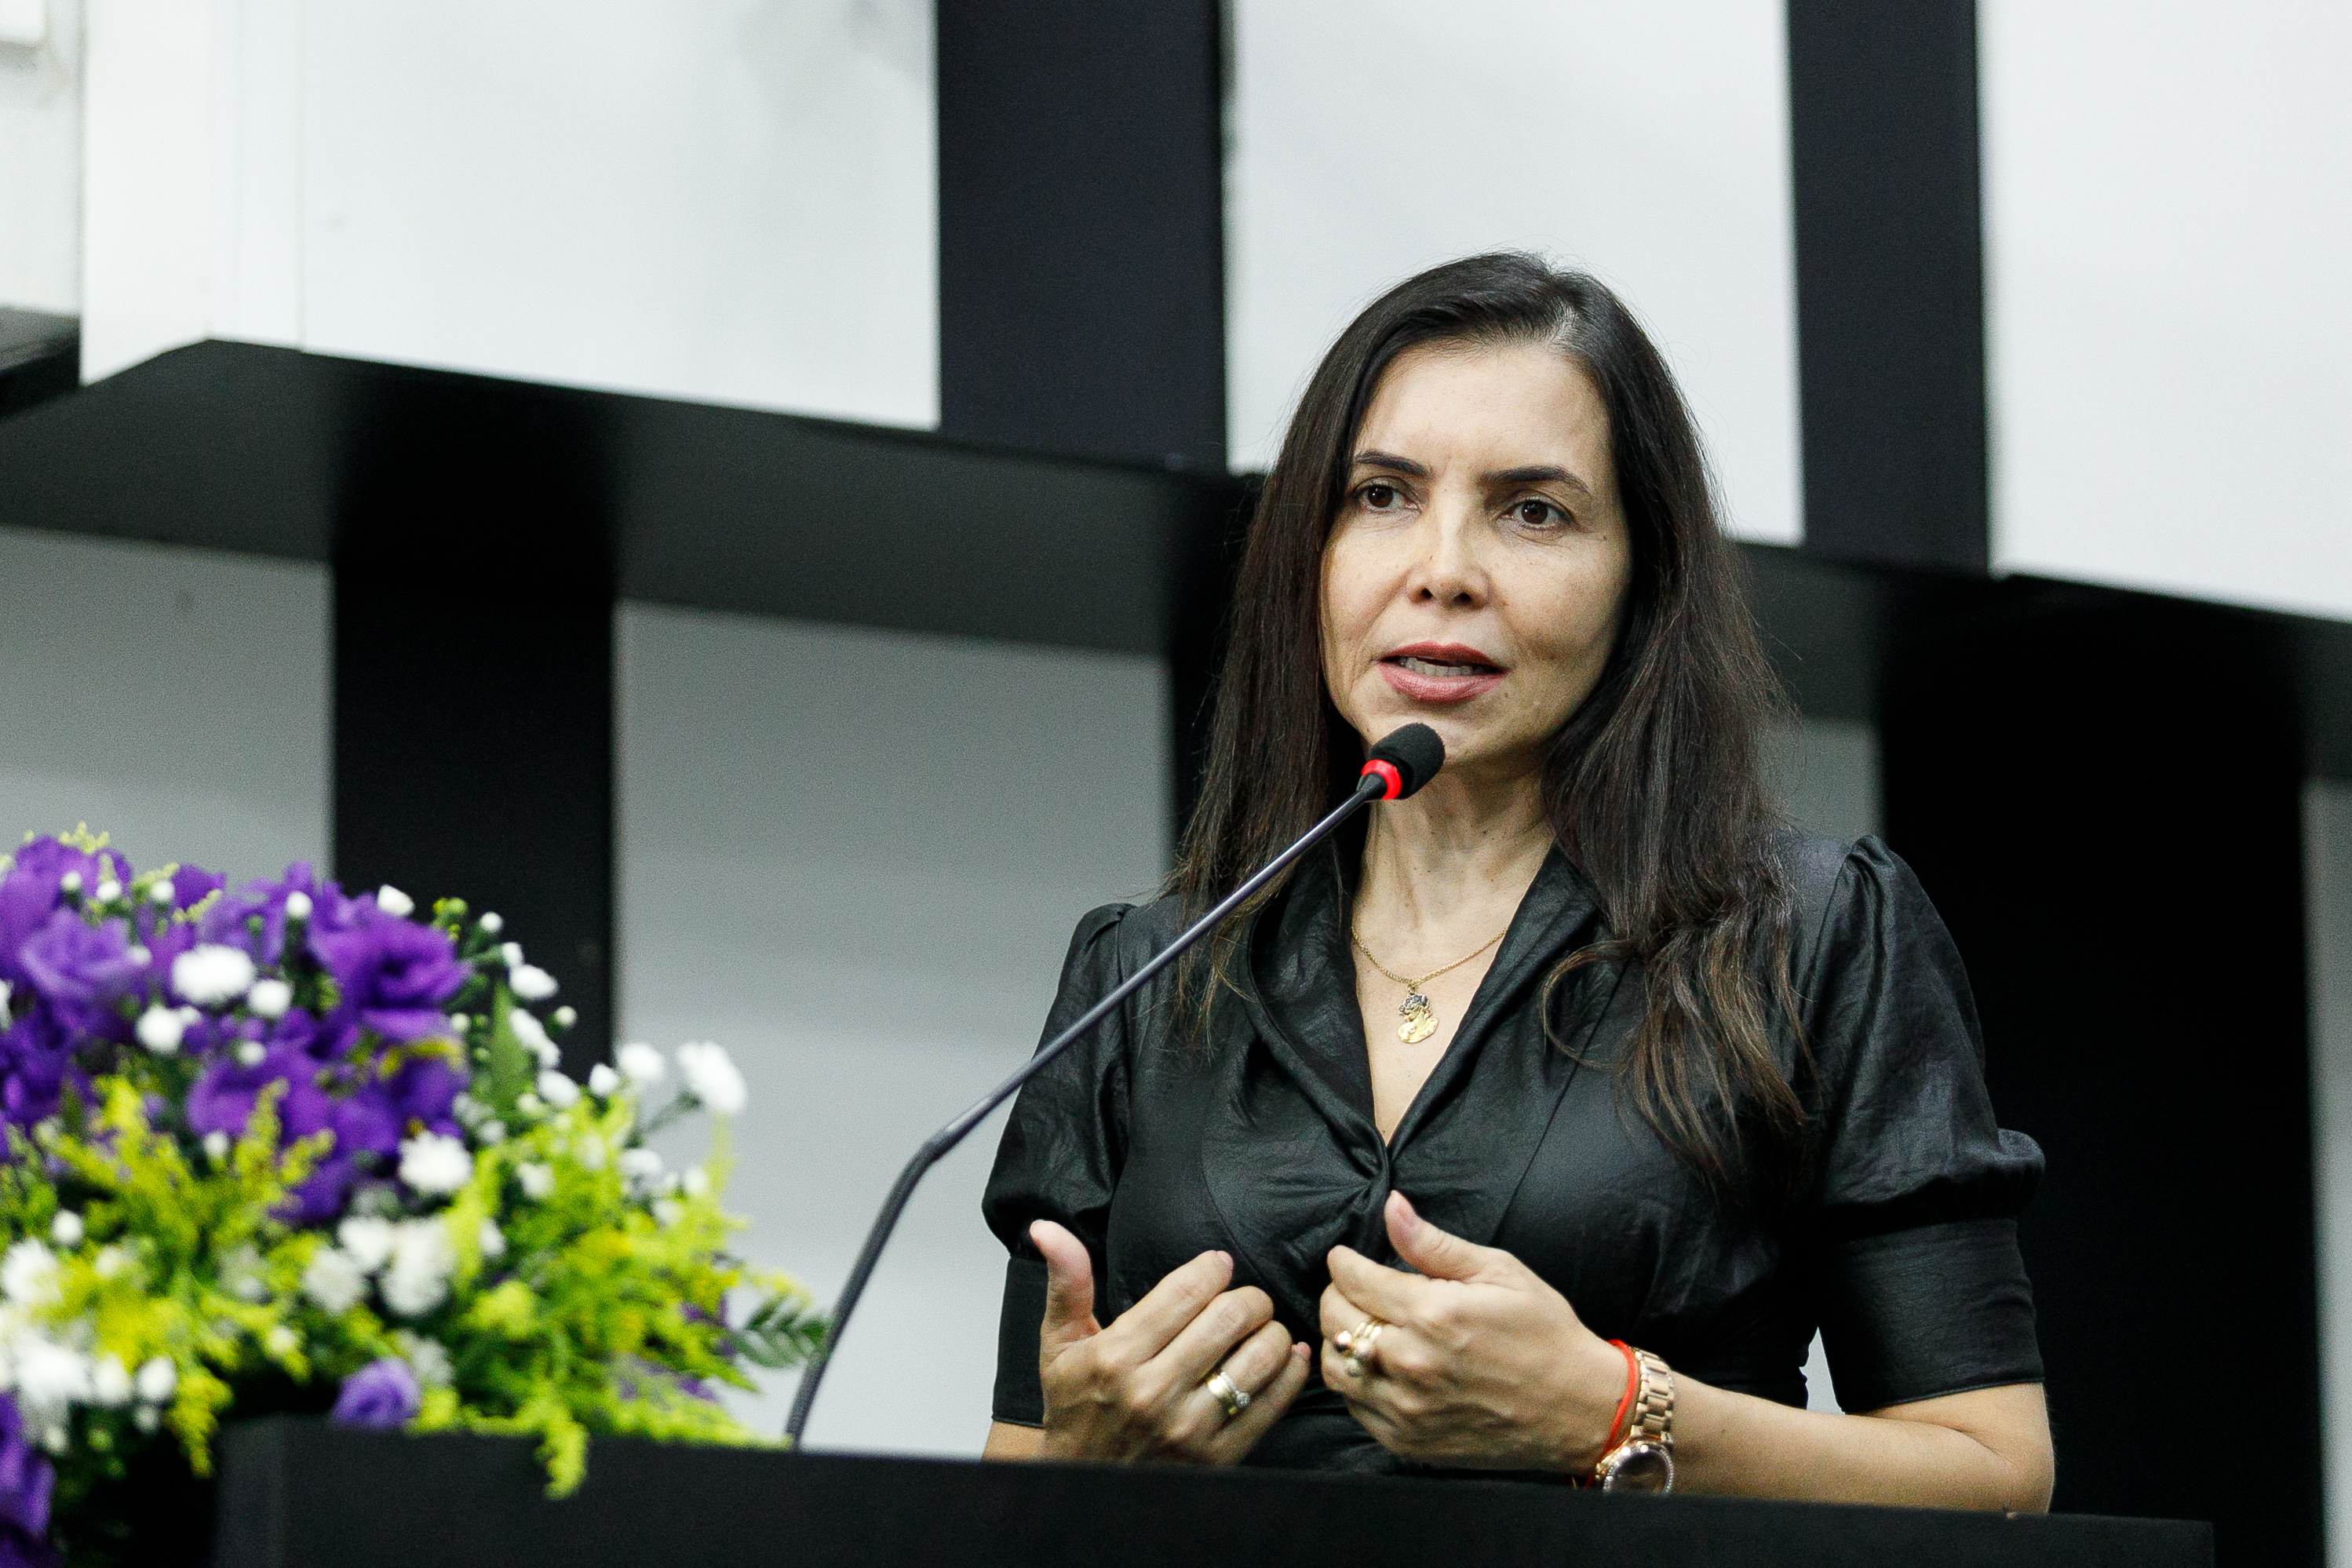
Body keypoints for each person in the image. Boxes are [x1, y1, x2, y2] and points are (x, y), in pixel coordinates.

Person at [978, 253, 2053, 1508]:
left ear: (1642, 578)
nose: (1442, 568)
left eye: (1532, 511)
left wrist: (1614, 1410)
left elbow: (1992, 1470)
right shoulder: (1146, 972)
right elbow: (1010, 1482)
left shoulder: (1809, 935)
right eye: (1381, 495)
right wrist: (1084, 1469)